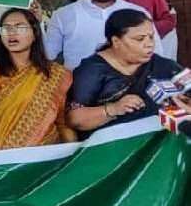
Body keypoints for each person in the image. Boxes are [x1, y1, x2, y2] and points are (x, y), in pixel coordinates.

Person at [0, 8, 75, 150]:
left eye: (20, 27)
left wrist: (73, 155)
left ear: (34, 34)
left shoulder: (56, 74)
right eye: (6, 28)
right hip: (4, 159)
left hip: (45, 159)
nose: (12, 33)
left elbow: (62, 122)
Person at [67, 9, 182, 140]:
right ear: (116, 42)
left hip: (158, 144)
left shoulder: (163, 66)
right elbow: (74, 119)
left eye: (151, 37)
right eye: (140, 39)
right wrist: (113, 109)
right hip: (114, 148)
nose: (149, 44)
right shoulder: (92, 71)